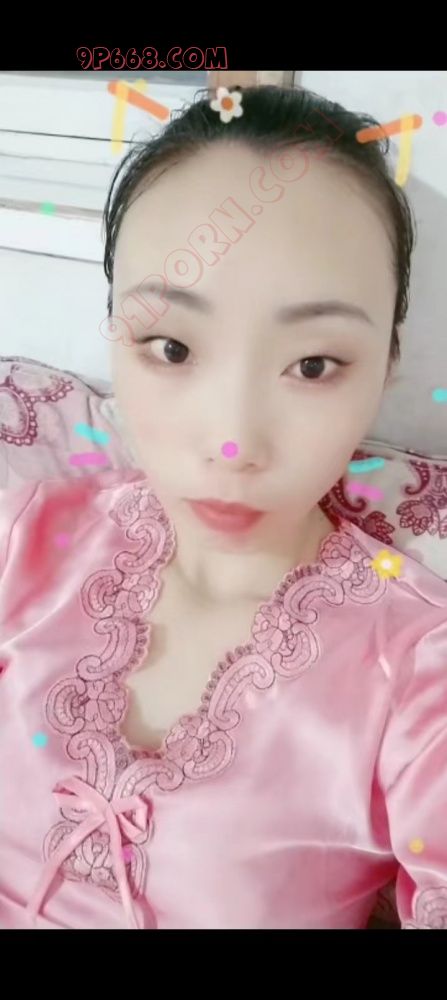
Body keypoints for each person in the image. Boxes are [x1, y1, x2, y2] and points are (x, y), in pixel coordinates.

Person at [1, 84, 446, 930]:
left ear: (385, 365)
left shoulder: (419, 671)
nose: (234, 443)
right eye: (171, 348)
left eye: (313, 365)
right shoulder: (26, 542)